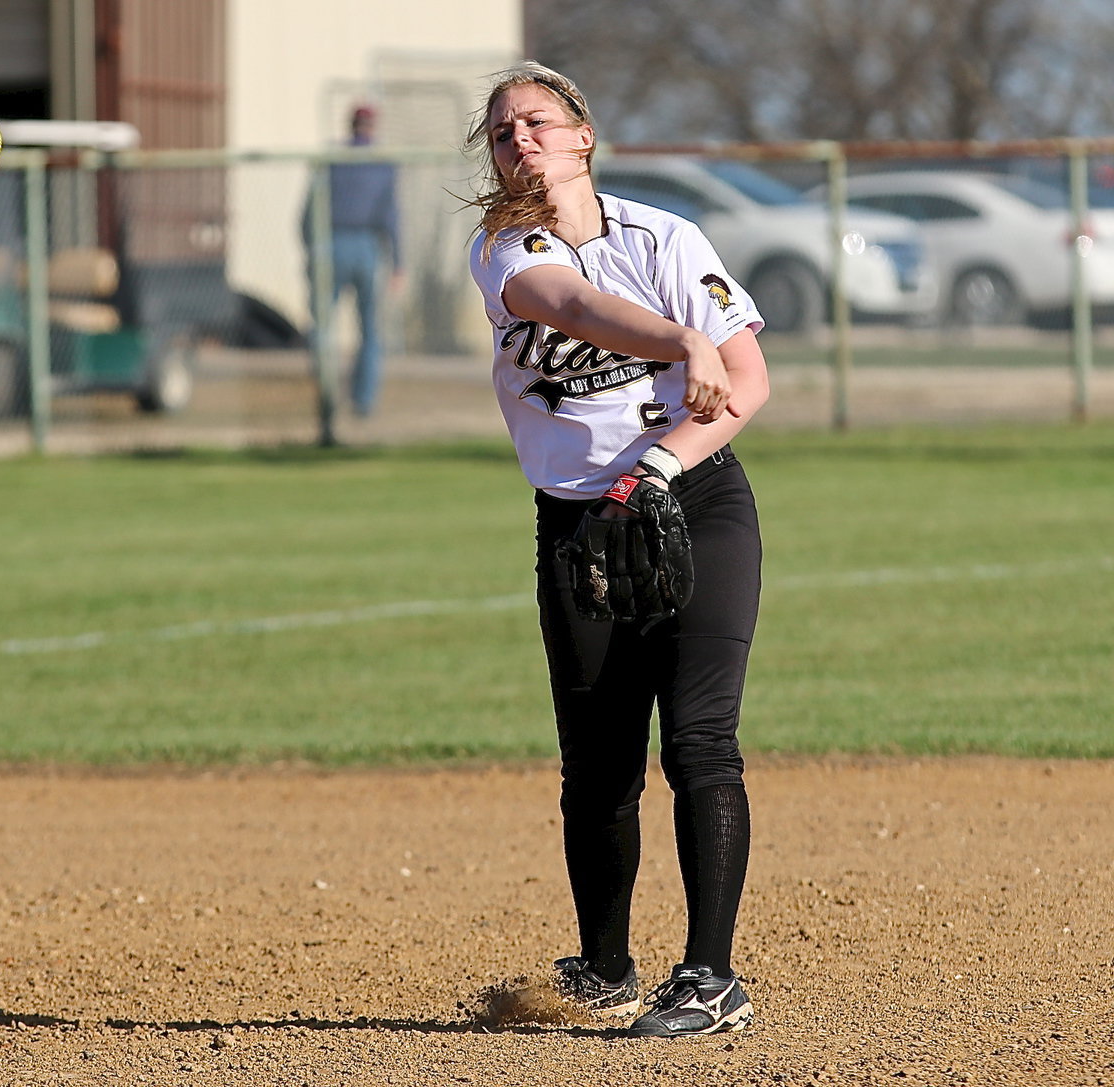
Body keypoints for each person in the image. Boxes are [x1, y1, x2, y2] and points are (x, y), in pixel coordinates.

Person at [465, 62, 771, 1039]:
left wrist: (667, 467)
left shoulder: (667, 238)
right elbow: (576, 307)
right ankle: (603, 968)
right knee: (597, 765)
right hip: (581, 524)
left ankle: (712, 976)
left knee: (697, 740)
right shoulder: (507, 247)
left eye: (537, 122)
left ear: (584, 135)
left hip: (696, 503)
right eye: (502, 131)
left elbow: (752, 380)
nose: (520, 140)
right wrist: (684, 340)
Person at [301, 104, 402, 417]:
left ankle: (327, 393)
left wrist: (310, 249)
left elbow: (308, 212)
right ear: (372, 127)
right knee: (370, 328)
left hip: (331, 243)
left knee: (323, 325)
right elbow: (391, 217)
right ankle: (362, 401)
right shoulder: (381, 163)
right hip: (366, 245)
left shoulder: (333, 160)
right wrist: (398, 261)